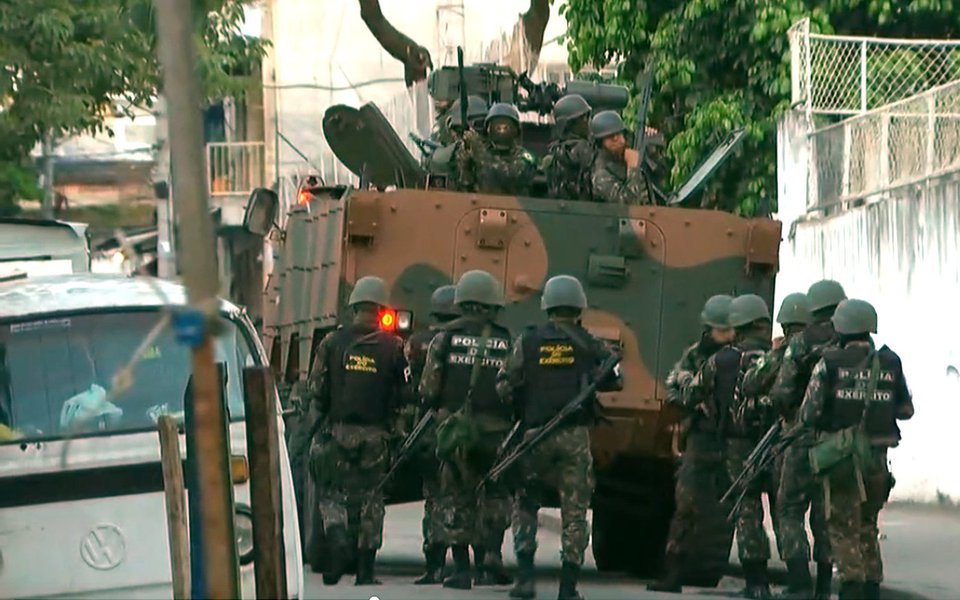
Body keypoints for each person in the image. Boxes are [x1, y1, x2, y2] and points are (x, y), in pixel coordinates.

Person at [496, 275, 623, 600]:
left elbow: (504, 385)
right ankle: (568, 586)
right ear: (578, 305)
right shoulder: (589, 343)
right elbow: (615, 381)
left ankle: (525, 578)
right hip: (573, 436)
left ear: (547, 305)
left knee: (525, 503)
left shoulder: (528, 340)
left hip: (534, 434)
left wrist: (522, 404)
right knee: (575, 510)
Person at [797, 299, 913, 600]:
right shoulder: (890, 362)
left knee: (842, 527)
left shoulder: (829, 363)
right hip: (878, 457)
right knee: (867, 526)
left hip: (842, 458)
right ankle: (872, 589)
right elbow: (906, 410)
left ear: (841, 328)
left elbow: (808, 413)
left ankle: (851, 589)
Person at [302, 276, 409, 585]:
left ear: (354, 307)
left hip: (337, 432)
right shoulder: (394, 347)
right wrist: (397, 433)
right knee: (371, 500)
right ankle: (365, 571)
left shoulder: (332, 343)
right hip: (376, 436)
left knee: (333, 494)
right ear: (379, 309)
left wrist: (316, 430)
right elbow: (405, 395)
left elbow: (316, 391)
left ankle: (336, 534)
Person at [419, 270, 516, 589]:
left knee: (456, 496)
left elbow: (428, 389)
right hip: (497, 431)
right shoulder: (508, 340)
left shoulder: (444, 338)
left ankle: (461, 569)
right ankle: (491, 556)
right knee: (497, 494)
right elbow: (516, 388)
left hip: (455, 430)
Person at [648, 294, 736, 593]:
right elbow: (673, 385)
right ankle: (673, 571)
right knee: (686, 505)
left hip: (735, 440)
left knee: (738, 506)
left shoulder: (746, 356)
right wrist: (692, 404)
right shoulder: (696, 356)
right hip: (701, 438)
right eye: (720, 330)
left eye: (729, 330)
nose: (725, 336)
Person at [771, 280, 847, 599]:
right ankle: (825, 587)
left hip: (801, 436)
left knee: (789, 508)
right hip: (840, 440)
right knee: (825, 513)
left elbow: (783, 392)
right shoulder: (852, 341)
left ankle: (800, 581)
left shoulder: (801, 342)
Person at [708, 294, 777, 599]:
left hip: (737, 445)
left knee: (747, 511)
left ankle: (757, 583)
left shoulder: (722, 360)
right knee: (784, 511)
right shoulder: (782, 358)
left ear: (737, 325)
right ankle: (803, 580)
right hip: (778, 443)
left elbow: (692, 392)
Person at [404, 285, 460, 584]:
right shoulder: (464, 341)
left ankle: (434, 560)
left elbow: (422, 387)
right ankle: (475, 559)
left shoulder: (419, 341)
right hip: (463, 426)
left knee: (433, 496)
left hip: (427, 424)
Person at [457, 102, 537, 196]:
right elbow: (465, 186)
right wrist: (466, 163)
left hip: (513, 207)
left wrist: (478, 151)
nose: (501, 131)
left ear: (515, 130)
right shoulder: (482, 152)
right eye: (497, 128)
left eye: (506, 128)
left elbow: (507, 177)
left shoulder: (525, 157)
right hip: (480, 205)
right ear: (488, 130)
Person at [589, 110, 652, 205]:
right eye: (610, 137)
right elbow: (630, 205)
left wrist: (650, 145)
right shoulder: (600, 175)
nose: (617, 139)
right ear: (600, 142)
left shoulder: (624, 155)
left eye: (618, 134)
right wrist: (633, 169)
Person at [427, 96, 489, 190]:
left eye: (477, 126)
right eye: (461, 130)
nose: (469, 135)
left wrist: (479, 153)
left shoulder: (502, 158)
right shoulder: (444, 160)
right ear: (453, 131)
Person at [543, 94, 595, 201]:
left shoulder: (554, 151)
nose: (588, 122)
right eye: (584, 118)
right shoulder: (584, 149)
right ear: (570, 124)